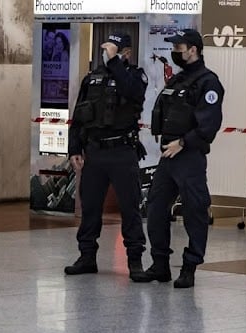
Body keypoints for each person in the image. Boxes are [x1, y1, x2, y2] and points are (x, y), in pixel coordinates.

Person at [140, 29, 224, 289]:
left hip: (189, 156)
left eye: (179, 47)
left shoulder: (208, 82)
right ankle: (160, 264)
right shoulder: (176, 81)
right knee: (154, 208)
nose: (175, 51)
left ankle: (189, 267)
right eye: (174, 47)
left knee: (195, 211)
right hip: (168, 155)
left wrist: (184, 142)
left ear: (194, 50)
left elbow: (210, 124)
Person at [64, 33, 148, 281]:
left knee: (130, 207)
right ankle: (86, 256)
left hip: (122, 151)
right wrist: (74, 148)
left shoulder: (134, 76)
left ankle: (135, 260)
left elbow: (132, 93)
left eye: (113, 49)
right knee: (90, 207)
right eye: (105, 49)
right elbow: (79, 116)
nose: (106, 53)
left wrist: (115, 63)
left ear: (126, 53)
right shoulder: (92, 79)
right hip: (95, 152)